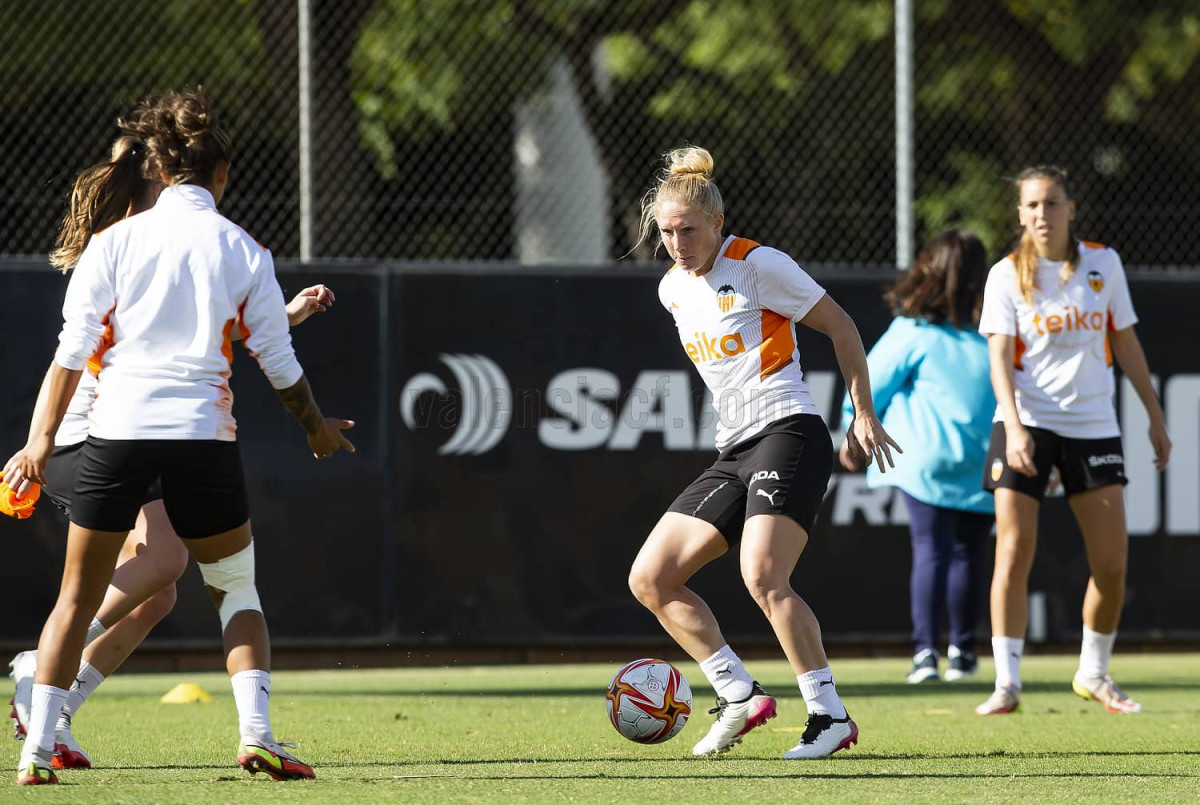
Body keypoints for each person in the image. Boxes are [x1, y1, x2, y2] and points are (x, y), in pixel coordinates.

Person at [2, 89, 354, 786]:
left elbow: (73, 353)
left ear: (159, 168)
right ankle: (256, 735)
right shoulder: (242, 247)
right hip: (196, 438)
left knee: (94, 596)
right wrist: (315, 426)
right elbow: (270, 357)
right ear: (222, 174)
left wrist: (37, 442)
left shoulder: (112, 245)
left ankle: (37, 745)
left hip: (115, 434)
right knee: (233, 588)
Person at [626, 146, 900, 760]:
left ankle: (829, 715)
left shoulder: (757, 264)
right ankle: (738, 694)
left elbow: (842, 326)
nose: (676, 243)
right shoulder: (672, 289)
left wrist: (862, 411)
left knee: (763, 575)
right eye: (666, 232)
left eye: (688, 230)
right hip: (734, 449)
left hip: (789, 431)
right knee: (651, 578)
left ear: (718, 223)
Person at [973, 165, 1170, 716]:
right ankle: (1007, 682)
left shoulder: (1104, 264)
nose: (1043, 214)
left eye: (1053, 203)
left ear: (1071, 209)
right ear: (1020, 213)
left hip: (1093, 425)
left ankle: (1094, 672)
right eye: (1033, 205)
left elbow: (1125, 342)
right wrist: (1015, 428)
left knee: (1111, 564)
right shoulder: (1005, 274)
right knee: (1014, 550)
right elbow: (998, 358)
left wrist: (1154, 415)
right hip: (1025, 422)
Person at [838, 230, 995, 684]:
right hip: (983, 461)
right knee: (968, 554)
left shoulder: (912, 331)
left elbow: (868, 384)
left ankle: (926, 655)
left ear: (930, 271)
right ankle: (963, 655)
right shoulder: (996, 335)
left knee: (932, 550)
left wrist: (853, 428)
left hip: (927, 462)